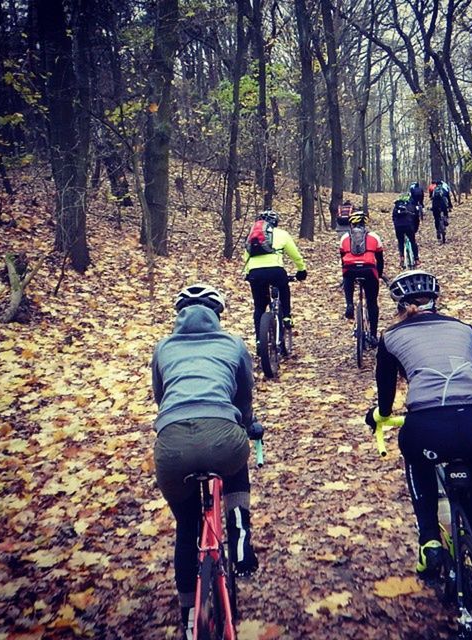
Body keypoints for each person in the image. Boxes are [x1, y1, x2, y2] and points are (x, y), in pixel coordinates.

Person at [366, 270, 472, 581]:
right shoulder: (464, 329)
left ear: (399, 304)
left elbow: (386, 396)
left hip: (428, 426)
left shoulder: (391, 336)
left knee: (417, 462)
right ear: (435, 300)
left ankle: (429, 537)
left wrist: (380, 414)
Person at [151, 284, 260, 638]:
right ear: (217, 315)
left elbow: (161, 395)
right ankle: (241, 539)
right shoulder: (232, 344)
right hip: (222, 435)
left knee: (187, 528)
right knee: (235, 457)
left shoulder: (164, 347)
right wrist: (246, 422)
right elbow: (243, 396)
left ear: (179, 316)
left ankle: (187, 614)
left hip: (173, 444)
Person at [244, 210, 307, 345]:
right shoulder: (282, 234)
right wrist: (301, 270)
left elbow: (246, 257)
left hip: (255, 273)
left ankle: (259, 341)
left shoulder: (252, 236)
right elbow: (295, 255)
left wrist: (248, 274)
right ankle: (286, 317)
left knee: (259, 307)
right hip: (275, 271)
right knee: (284, 288)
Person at [339, 210, 384, 347]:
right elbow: (380, 259)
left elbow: (342, 259)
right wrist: (379, 274)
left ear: (351, 225)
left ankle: (349, 304)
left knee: (347, 276)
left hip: (350, 270)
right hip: (369, 270)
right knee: (372, 302)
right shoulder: (374, 237)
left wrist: (345, 274)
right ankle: (373, 335)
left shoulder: (344, 238)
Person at [392, 197, 419, 268]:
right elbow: (416, 219)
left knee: (400, 242)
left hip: (398, 227)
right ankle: (416, 259)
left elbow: (393, 219)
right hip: (409, 226)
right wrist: (415, 229)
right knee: (413, 242)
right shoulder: (411, 206)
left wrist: (396, 228)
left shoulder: (396, 207)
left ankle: (401, 257)